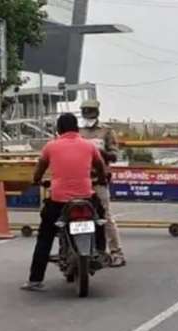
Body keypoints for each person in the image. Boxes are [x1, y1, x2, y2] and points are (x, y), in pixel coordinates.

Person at [21, 113, 108, 291]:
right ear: (76, 128)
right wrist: (102, 179)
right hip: (85, 197)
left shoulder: (51, 146)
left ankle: (35, 280)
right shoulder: (88, 146)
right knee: (100, 220)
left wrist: (36, 180)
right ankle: (100, 251)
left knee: (45, 236)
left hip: (59, 200)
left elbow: (40, 168)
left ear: (58, 129)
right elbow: (100, 166)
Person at [79, 99, 126, 268]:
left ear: (97, 112)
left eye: (90, 111)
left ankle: (116, 252)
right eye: (84, 111)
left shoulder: (106, 131)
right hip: (79, 179)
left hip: (98, 179)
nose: (88, 114)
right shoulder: (78, 132)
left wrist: (101, 153)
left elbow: (114, 155)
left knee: (105, 216)